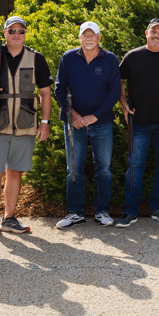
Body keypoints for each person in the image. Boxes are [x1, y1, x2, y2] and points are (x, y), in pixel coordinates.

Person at [0, 16, 52, 237]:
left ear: (25, 33)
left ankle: (9, 218)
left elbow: (45, 93)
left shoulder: (36, 58)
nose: (16, 35)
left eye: (20, 31)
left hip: (25, 124)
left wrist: (45, 122)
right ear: (4, 33)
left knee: (15, 173)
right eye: (12, 31)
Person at [115, 18, 159, 228]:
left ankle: (158, 208)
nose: (157, 35)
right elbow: (117, 81)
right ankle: (130, 211)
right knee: (134, 167)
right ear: (146, 33)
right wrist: (124, 105)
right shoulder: (133, 56)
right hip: (139, 122)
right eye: (153, 31)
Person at [54, 21, 122, 229]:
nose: (89, 38)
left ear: (99, 38)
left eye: (93, 35)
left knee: (104, 168)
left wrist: (95, 116)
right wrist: (73, 115)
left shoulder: (109, 59)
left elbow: (114, 92)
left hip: (101, 123)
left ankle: (102, 211)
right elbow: (59, 88)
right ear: (80, 38)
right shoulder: (68, 57)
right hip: (73, 123)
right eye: (85, 35)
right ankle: (75, 212)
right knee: (74, 168)